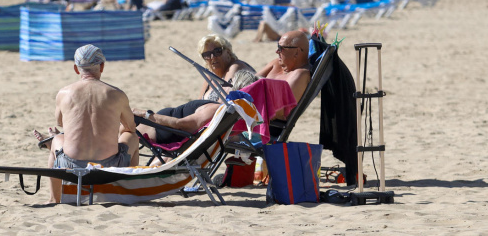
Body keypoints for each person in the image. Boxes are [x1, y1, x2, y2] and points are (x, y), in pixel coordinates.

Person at [135, 30, 312, 144]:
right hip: (224, 114)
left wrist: (148, 115)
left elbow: (282, 108)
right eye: (207, 55)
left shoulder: (300, 74)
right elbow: (251, 81)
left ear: (297, 51)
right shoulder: (276, 64)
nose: (277, 51)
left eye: (281, 48)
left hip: (240, 121)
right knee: (134, 129)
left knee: (140, 129)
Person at [32, 45, 140, 203]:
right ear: (102, 66)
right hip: (110, 164)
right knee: (132, 137)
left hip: (70, 163)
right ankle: (129, 191)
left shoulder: (64, 93)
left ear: (76, 69)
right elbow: (131, 127)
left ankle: (54, 199)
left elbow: (61, 123)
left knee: (57, 139)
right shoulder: (116, 94)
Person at [197, 34, 257, 102]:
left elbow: (223, 102)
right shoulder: (210, 76)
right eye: (207, 55)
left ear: (228, 52)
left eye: (217, 51)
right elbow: (198, 103)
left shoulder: (235, 67)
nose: (212, 57)